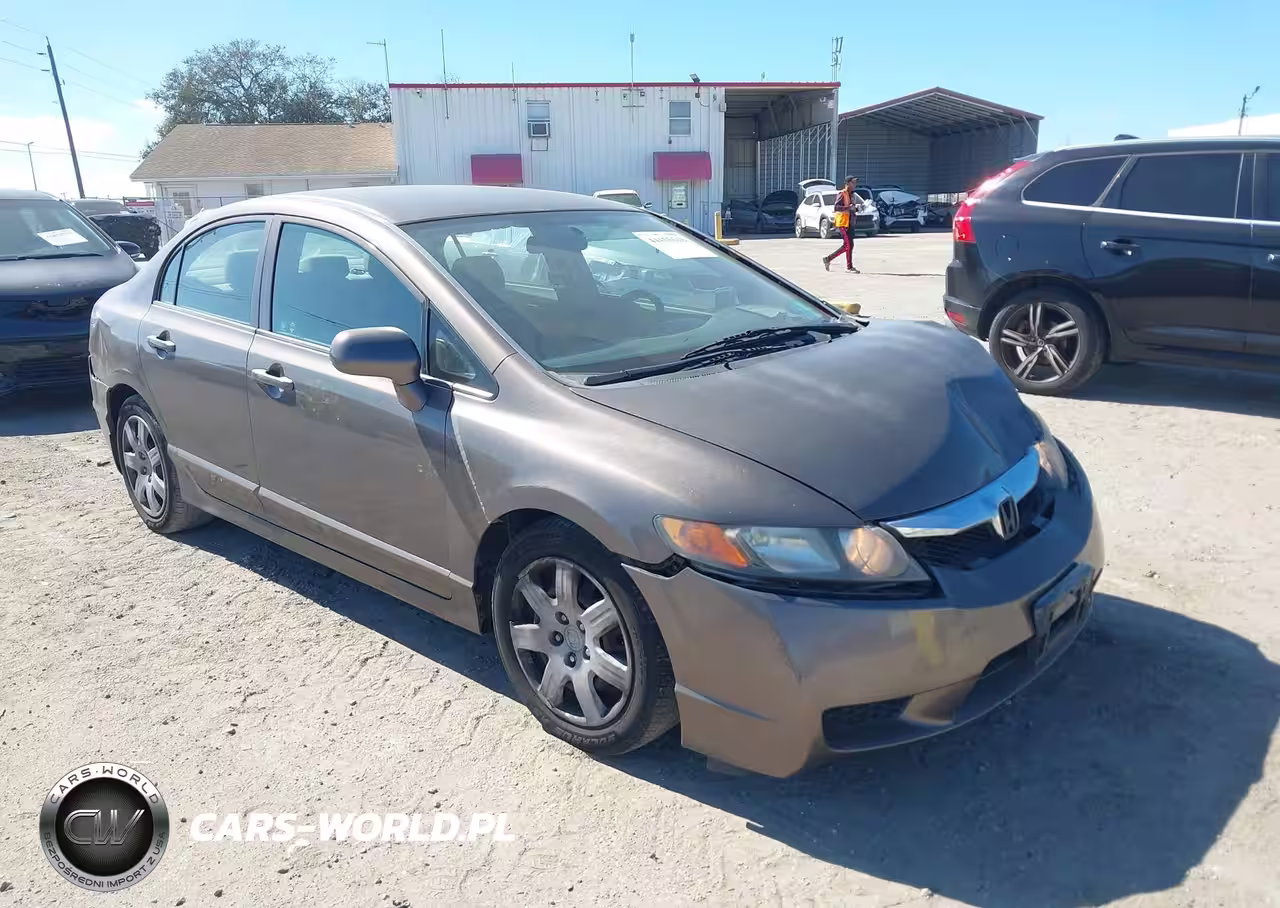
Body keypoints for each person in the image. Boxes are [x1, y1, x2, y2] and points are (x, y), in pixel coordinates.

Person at [822, 176, 860, 274]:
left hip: (850, 222)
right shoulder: (842, 194)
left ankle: (829, 259)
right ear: (847, 183)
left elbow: (851, 208)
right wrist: (848, 208)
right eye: (853, 182)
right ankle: (848, 267)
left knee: (849, 245)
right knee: (848, 245)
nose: (854, 184)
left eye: (855, 182)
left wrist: (857, 209)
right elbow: (836, 207)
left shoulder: (852, 194)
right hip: (843, 223)